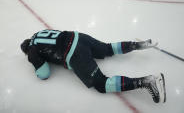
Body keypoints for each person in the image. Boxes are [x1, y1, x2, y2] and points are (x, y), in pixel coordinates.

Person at [21, 29, 166, 103]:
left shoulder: (32, 51)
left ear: (26, 49)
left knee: (101, 84)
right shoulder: (38, 33)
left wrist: (35, 64)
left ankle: (147, 82)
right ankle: (139, 44)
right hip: (78, 37)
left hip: (73, 52)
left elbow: (44, 73)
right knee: (108, 48)